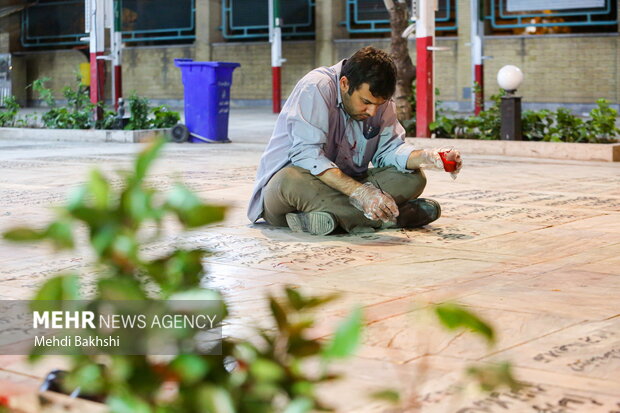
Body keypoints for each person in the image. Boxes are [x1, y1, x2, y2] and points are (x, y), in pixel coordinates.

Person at [247, 46, 462, 236]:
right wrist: (361, 193)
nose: (372, 111)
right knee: (290, 179)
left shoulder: (381, 104)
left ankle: (330, 220)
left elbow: (390, 151)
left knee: (413, 178)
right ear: (344, 83)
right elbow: (307, 156)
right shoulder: (316, 87)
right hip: (292, 191)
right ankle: (395, 217)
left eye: (379, 105)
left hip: (343, 186)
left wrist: (428, 157)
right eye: (366, 102)